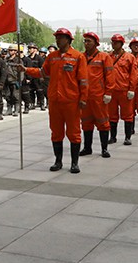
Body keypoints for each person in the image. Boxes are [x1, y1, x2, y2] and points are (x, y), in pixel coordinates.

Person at [21, 28, 88, 174]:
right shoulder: (52, 57)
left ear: (69, 40)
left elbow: (83, 80)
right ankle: (58, 161)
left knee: (74, 132)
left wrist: (83, 98)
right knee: (56, 132)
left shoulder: (78, 57)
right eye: (57, 37)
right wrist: (26, 69)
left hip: (71, 101)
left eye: (61, 38)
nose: (58, 40)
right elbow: (42, 73)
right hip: (55, 100)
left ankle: (74, 163)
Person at [80, 32, 114, 158]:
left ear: (96, 43)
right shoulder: (81, 57)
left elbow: (110, 76)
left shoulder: (104, 57)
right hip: (85, 97)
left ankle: (104, 149)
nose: (86, 43)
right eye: (85, 41)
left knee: (103, 122)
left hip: (99, 96)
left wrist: (108, 92)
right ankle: (87, 148)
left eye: (89, 41)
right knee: (86, 122)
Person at [107, 35, 137, 145]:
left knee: (128, 115)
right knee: (112, 115)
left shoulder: (129, 57)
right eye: (113, 42)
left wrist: (132, 89)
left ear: (121, 44)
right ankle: (113, 137)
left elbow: (133, 75)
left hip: (124, 90)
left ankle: (127, 137)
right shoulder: (108, 57)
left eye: (116, 42)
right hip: (112, 90)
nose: (113, 44)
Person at [4, 45, 24, 117]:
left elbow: (21, 71)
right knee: (8, 96)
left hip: (15, 80)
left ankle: (16, 109)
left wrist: (20, 80)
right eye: (10, 50)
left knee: (16, 96)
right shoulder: (6, 60)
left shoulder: (18, 60)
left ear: (15, 52)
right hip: (7, 80)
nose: (11, 52)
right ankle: (9, 109)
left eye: (12, 50)